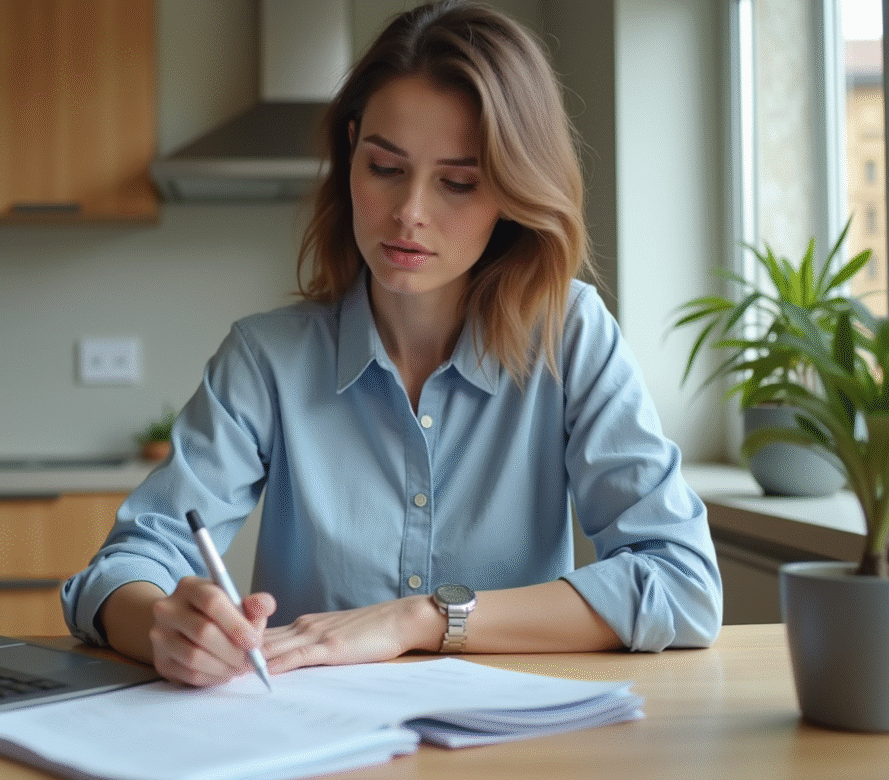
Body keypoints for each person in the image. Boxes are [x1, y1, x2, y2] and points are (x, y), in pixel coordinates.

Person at [62, 0, 722, 688]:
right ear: (351, 153)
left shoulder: (572, 336)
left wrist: (420, 619)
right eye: (385, 168)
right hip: (312, 740)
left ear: (513, 194)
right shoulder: (265, 360)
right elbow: (119, 572)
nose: (410, 212)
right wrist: (166, 626)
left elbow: (683, 585)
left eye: (458, 182)